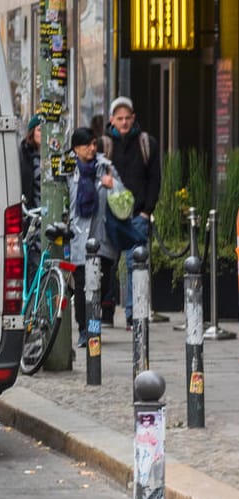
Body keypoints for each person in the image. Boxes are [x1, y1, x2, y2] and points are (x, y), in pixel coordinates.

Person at [102, 96, 160, 325]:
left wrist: (147, 210)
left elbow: (155, 179)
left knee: (136, 266)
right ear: (112, 120)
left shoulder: (147, 144)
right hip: (110, 216)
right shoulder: (104, 144)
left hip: (137, 215)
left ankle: (133, 315)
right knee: (107, 265)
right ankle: (106, 313)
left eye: (127, 118)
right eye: (119, 118)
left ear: (133, 118)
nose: (124, 122)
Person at [66, 127, 120, 348]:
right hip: (78, 238)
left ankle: (94, 328)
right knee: (82, 286)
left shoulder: (105, 167)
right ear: (76, 148)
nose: (91, 148)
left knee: (100, 285)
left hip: (102, 238)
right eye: (87, 144)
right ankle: (84, 330)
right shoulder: (67, 170)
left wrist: (113, 185)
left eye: (93, 143)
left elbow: (123, 196)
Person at [18, 115, 42, 210]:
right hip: (30, 210)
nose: (44, 133)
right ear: (32, 132)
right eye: (40, 130)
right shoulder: (24, 153)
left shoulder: (55, 155)